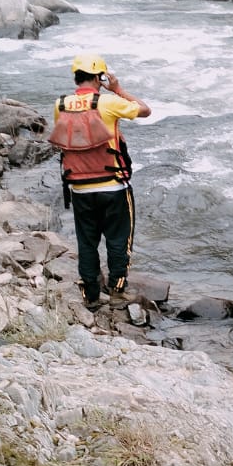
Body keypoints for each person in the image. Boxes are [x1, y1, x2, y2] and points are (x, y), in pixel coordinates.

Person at [49, 54, 151, 311]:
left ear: (76, 76)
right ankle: (117, 290)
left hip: (79, 188)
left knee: (87, 242)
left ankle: (91, 295)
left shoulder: (60, 104)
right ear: (99, 77)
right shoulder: (108, 102)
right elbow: (145, 110)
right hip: (113, 185)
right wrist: (118, 89)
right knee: (118, 240)